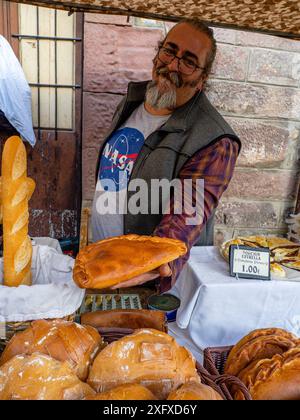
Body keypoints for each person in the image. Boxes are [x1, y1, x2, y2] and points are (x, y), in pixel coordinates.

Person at [91, 18, 241, 292]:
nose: (172, 64)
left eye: (188, 61)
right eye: (169, 51)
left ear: (202, 79)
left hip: (144, 282)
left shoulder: (215, 140)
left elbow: (186, 215)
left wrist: (152, 264)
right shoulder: (133, 101)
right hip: (104, 264)